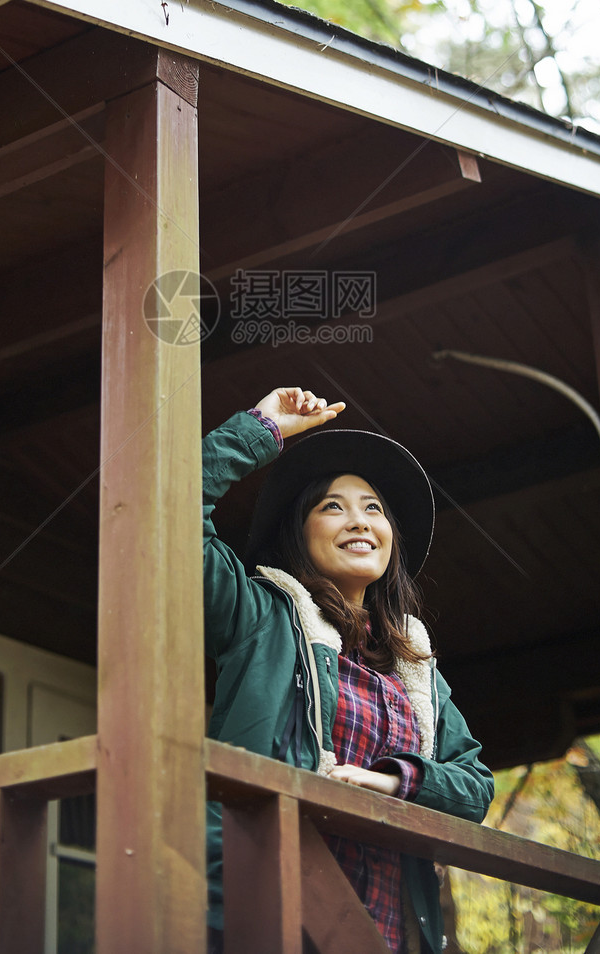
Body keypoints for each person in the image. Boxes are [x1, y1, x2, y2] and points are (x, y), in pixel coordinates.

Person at [203, 387, 494, 954]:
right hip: (271, 918)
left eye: (374, 509)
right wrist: (263, 428)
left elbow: (476, 785)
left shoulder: (416, 667)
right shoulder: (262, 617)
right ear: (299, 531)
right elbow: (169, 506)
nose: (359, 520)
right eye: (332, 506)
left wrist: (389, 780)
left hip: (390, 934)